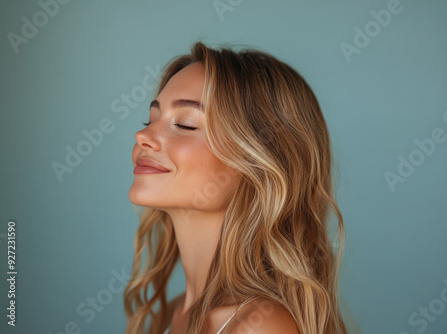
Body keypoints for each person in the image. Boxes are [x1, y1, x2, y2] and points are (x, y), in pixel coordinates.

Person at [124, 41, 354, 334]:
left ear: (260, 162)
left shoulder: (259, 327)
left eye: (186, 124)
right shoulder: (175, 313)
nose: (143, 135)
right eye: (152, 119)